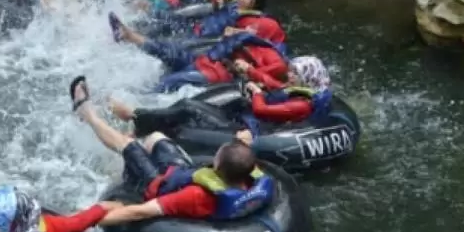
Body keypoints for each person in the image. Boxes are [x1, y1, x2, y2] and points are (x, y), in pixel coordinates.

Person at [70, 76, 275, 224]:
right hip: (177, 171)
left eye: (217, 154)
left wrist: (82, 221)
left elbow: (141, 212)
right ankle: (128, 155)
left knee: (126, 144)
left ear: (218, 164)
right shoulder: (251, 180)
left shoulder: (196, 196)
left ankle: (87, 113)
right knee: (156, 137)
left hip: (155, 183)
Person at [102, 54, 332, 144]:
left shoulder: (300, 104)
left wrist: (257, 92)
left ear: (306, 79)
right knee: (189, 107)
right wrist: (252, 73)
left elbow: (262, 111)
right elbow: (275, 85)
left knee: (189, 109)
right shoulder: (297, 90)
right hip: (244, 119)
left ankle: (132, 115)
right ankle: (136, 128)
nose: (289, 74)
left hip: (252, 130)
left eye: (295, 73)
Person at [109, 0, 289, 93]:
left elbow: (275, 55)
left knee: (173, 75)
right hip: (207, 53)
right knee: (168, 49)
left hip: (215, 63)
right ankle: (128, 35)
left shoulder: (263, 25)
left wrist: (239, 38)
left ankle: (138, 99)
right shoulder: (235, 8)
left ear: (253, 1)